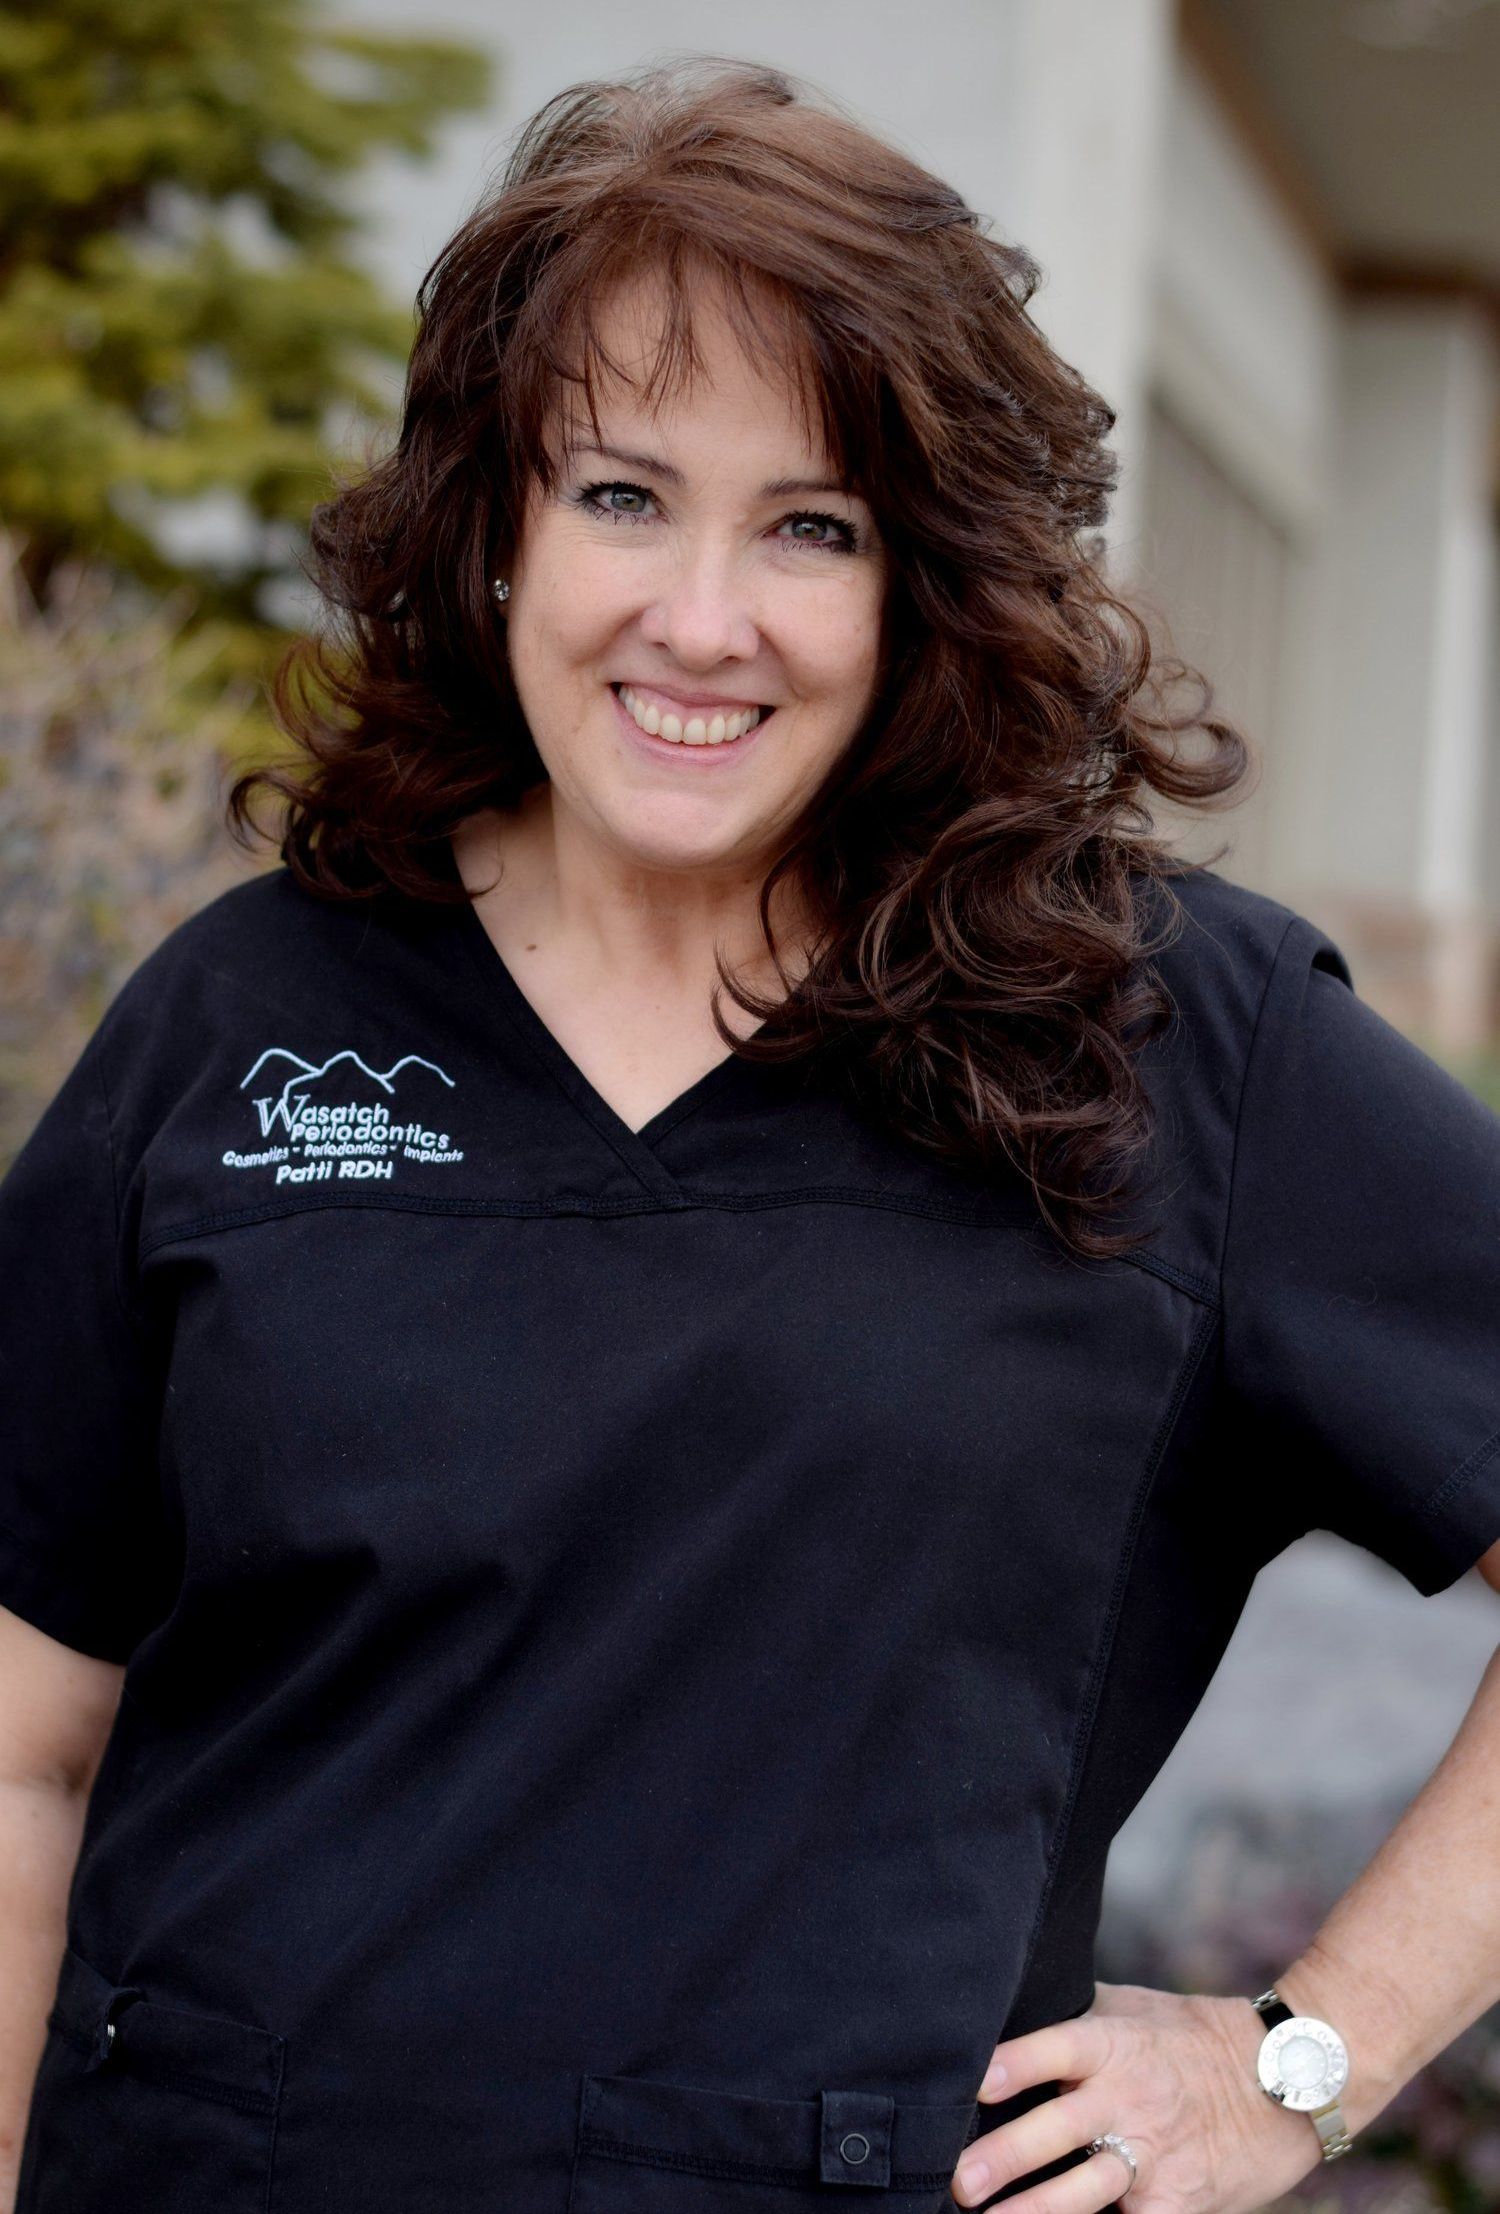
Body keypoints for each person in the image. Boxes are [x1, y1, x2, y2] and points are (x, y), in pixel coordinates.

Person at [1, 53, 1498, 2214]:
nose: (700, 621)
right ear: (493, 527)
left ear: (919, 586)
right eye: (620, 495)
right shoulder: (246, 1026)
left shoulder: (1169, 1040)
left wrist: (1297, 2066)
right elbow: (27, 1755)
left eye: (812, 527)